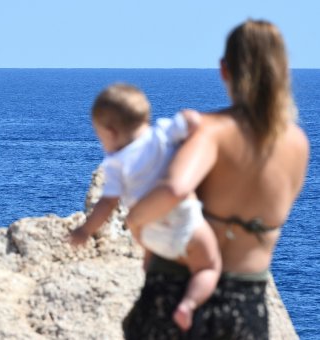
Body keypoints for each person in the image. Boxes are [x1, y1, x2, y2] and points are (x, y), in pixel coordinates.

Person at [122, 20, 309, 339]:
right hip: (247, 304)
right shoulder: (298, 144)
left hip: (176, 295)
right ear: (283, 71)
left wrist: (134, 221)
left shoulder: (211, 131)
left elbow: (176, 188)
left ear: (224, 69)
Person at [69, 83, 221, 331]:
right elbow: (191, 120)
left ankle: (151, 278)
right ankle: (189, 305)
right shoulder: (162, 133)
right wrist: (189, 121)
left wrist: (85, 231)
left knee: (150, 261)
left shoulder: (115, 165)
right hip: (185, 224)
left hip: (151, 234)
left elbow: (107, 204)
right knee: (210, 266)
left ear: (110, 132)